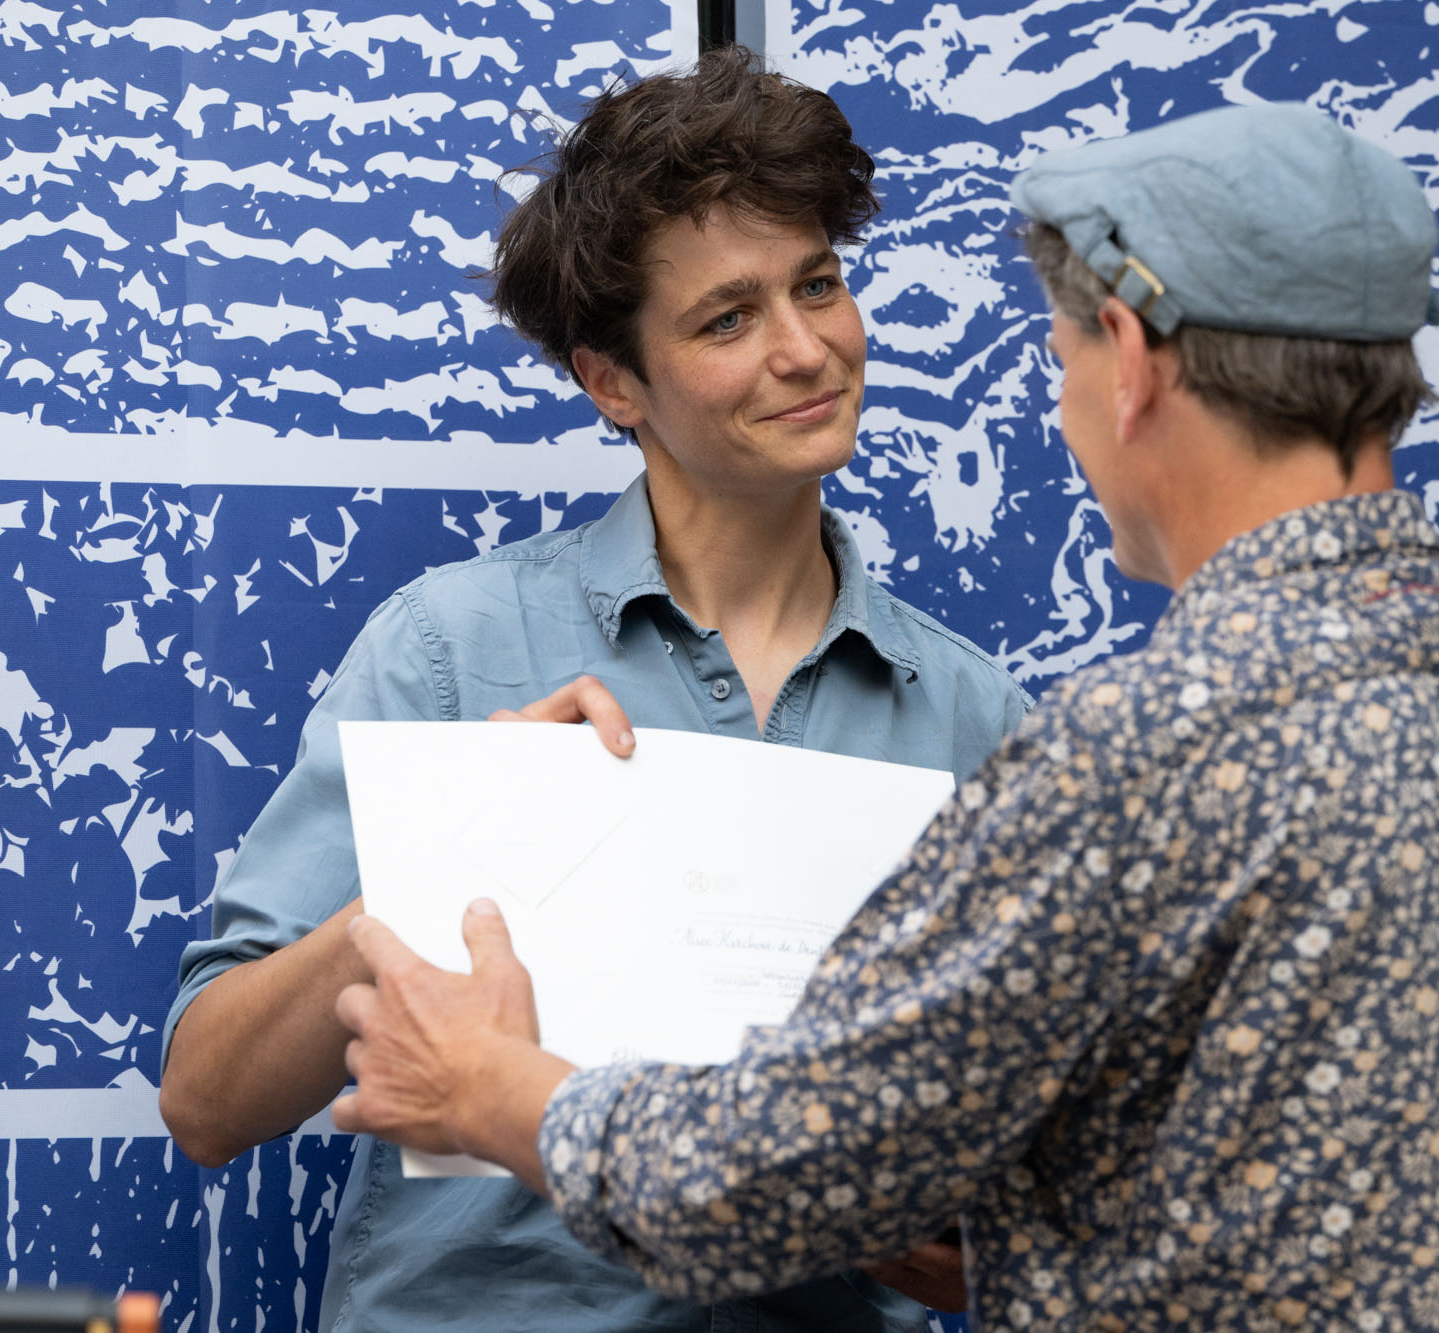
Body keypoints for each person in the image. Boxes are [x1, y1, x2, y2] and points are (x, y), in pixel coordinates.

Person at [330, 103, 1439, 1330]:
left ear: (1133, 357)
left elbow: (757, 1177)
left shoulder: (1137, 751)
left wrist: (493, 1088)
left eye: (1069, 356)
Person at [158, 46, 1028, 1332]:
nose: (805, 351)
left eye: (819, 286)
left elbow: (1025, 1189)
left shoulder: (973, 713)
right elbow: (205, 1099)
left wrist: (972, 1247)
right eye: (728, 319)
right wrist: (443, 857)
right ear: (611, 381)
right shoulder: (448, 648)